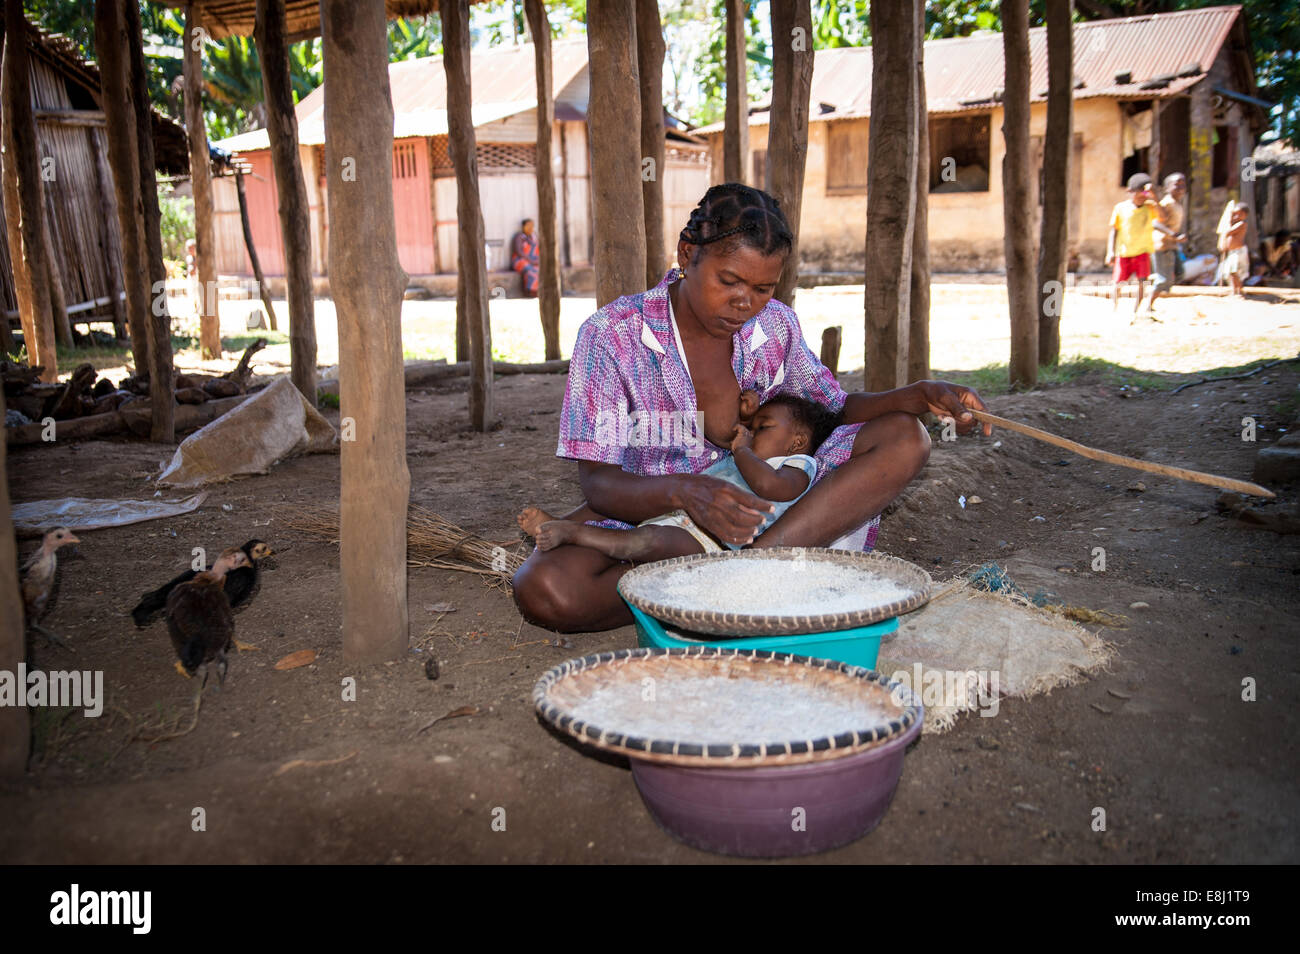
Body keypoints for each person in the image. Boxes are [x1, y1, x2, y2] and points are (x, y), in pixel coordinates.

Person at [511, 182, 990, 633]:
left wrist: (917, 396)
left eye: (763, 289)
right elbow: (599, 483)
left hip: (772, 511)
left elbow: (830, 413)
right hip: (653, 514)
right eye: (730, 281)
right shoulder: (612, 336)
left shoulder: (775, 329)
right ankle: (737, 580)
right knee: (548, 590)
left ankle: (747, 572)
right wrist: (687, 494)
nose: (745, 303)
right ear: (687, 255)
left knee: (907, 437)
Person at [519, 391, 838, 562]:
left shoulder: (798, 465)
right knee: (618, 501)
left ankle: (577, 535)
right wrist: (747, 413)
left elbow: (771, 487)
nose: (751, 434)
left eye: (763, 428)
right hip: (684, 509)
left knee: (644, 543)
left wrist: (743, 451)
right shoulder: (752, 454)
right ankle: (560, 520)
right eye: (752, 428)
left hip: (708, 539)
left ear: (797, 441)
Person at [1106, 172, 1168, 319]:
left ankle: (1135, 311)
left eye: (1145, 192)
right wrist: (1110, 251)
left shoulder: (1150, 207)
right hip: (1124, 251)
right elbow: (1114, 231)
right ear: (1130, 192)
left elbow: (1163, 217)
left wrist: (1155, 198)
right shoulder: (1120, 208)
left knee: (1142, 283)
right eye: (1140, 191)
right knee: (1118, 283)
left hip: (1143, 251)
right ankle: (1114, 308)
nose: (1142, 195)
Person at [1147, 173, 1187, 312]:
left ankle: (1155, 276)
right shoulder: (1167, 202)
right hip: (1163, 245)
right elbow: (1156, 223)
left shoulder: (1177, 204)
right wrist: (1173, 234)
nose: (1180, 187)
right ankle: (1148, 305)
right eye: (1177, 184)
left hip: (1172, 244)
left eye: (1183, 184)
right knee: (1164, 279)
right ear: (1167, 188)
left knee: (1180, 273)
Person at [1217, 202, 1250, 297]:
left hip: (1238, 252)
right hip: (1233, 252)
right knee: (1232, 272)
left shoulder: (1241, 224)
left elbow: (1228, 232)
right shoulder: (1235, 223)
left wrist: (1228, 221)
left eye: (1239, 214)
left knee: (1234, 272)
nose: (1236, 216)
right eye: (1234, 214)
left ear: (1245, 215)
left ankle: (1239, 291)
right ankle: (1235, 290)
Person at [511, 218, 540, 297]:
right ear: (523, 226)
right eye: (528, 225)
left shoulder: (534, 237)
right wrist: (530, 260)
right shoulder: (519, 237)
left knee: (539, 270)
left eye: (532, 226)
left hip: (533, 261)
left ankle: (537, 291)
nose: (530, 227)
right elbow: (519, 251)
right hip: (520, 260)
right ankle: (530, 291)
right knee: (530, 270)